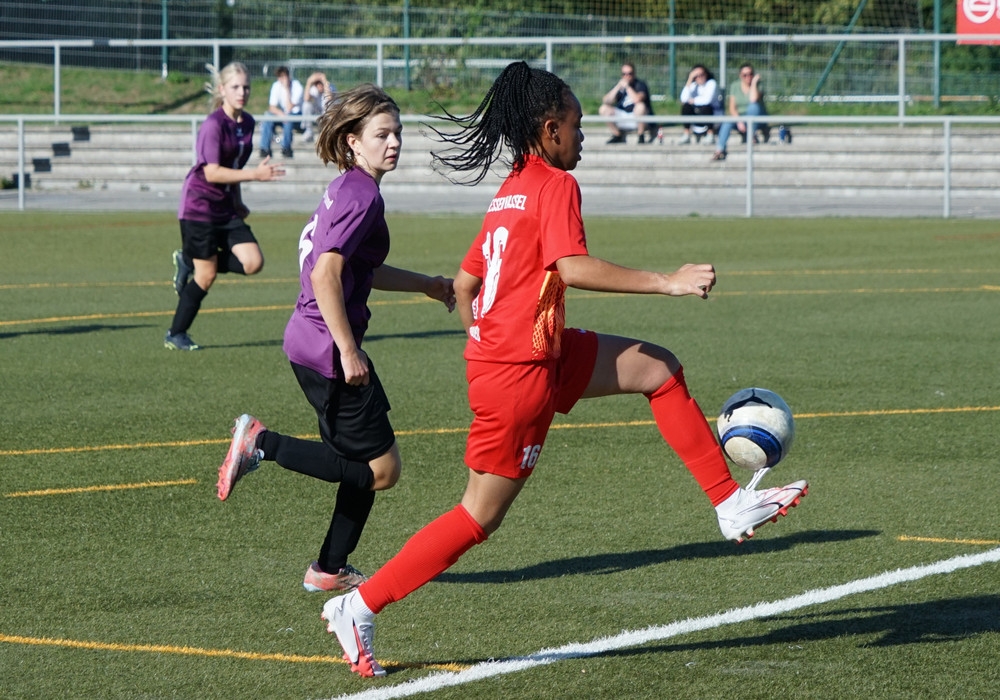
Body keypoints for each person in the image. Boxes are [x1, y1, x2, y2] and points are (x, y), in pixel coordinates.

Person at [320, 62, 809, 678]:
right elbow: (571, 266)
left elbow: (466, 283)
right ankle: (358, 606)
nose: (584, 138)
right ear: (550, 129)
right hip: (518, 373)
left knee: (658, 368)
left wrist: (484, 334)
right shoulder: (554, 184)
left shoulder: (512, 187)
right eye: (577, 126)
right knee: (477, 516)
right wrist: (668, 282)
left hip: (534, 352)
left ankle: (728, 503)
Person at [215, 83, 456, 594]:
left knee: (362, 464)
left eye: (397, 133)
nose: (394, 143)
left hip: (308, 341)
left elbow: (357, 267)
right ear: (353, 140)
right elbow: (326, 273)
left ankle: (329, 567)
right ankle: (260, 443)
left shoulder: (349, 186)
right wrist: (348, 350)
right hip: (327, 349)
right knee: (383, 469)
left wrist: (426, 285)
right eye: (382, 134)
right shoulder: (361, 195)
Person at [166, 62, 285, 351]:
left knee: (253, 262)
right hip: (199, 207)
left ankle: (189, 258)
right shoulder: (213, 125)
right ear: (222, 90)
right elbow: (212, 172)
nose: (242, 92)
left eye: (246, 87)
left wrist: (238, 201)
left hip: (225, 207)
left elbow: (233, 167)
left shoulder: (247, 123)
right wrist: (255, 175)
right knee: (205, 275)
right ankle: (176, 333)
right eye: (235, 87)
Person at [712, 63, 770, 161]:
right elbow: (732, 107)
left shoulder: (758, 85)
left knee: (753, 107)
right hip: (741, 118)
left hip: (757, 119)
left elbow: (753, 99)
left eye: (750, 74)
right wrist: (739, 121)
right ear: (740, 76)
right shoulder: (735, 86)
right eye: (745, 75)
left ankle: (751, 134)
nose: (748, 77)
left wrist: (754, 83)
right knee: (727, 122)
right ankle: (719, 150)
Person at [598, 62, 656, 144]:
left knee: (641, 106)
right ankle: (617, 135)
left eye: (629, 74)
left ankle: (641, 135)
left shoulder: (640, 84)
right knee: (603, 109)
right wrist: (617, 87)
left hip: (636, 118)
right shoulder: (620, 87)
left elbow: (637, 100)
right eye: (624, 74)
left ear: (634, 74)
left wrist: (628, 87)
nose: (627, 76)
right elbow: (606, 101)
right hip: (622, 116)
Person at [259, 66, 304, 159]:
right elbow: (272, 107)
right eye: (280, 77)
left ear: (288, 76)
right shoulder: (276, 86)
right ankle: (265, 148)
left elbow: (289, 107)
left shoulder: (297, 86)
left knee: (289, 118)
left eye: (284, 76)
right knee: (268, 116)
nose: (282, 79)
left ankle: (286, 148)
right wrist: (282, 114)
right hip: (284, 115)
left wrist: (287, 89)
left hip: (296, 116)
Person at [677, 64, 722, 145]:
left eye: (702, 74)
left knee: (706, 107)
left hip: (711, 114)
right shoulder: (693, 85)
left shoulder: (711, 83)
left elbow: (707, 100)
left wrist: (693, 100)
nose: (699, 77)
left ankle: (710, 134)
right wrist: (690, 79)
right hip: (697, 114)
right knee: (686, 107)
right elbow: (683, 99)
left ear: (706, 74)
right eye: (696, 76)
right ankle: (686, 134)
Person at [302, 71, 335, 143]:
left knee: (329, 105)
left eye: (321, 83)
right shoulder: (313, 89)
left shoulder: (330, 87)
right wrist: (309, 82)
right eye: (317, 83)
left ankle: (327, 131)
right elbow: (306, 99)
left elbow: (329, 98)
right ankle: (309, 131)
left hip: (329, 115)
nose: (319, 85)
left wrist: (324, 80)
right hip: (317, 113)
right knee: (306, 105)